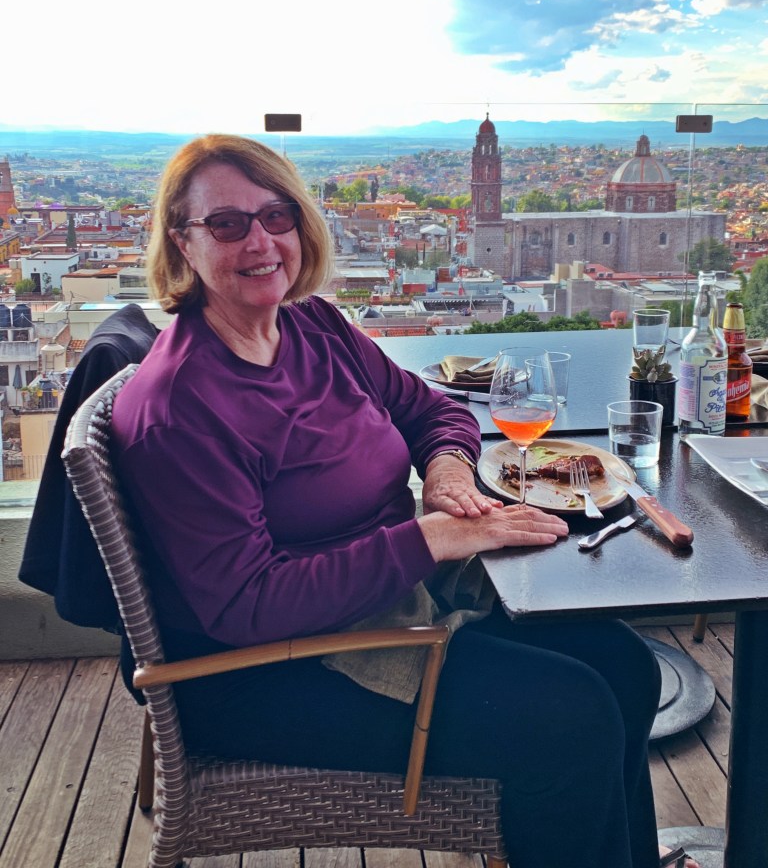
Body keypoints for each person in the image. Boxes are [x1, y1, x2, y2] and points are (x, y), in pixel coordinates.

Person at [110, 133, 675, 868]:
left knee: (627, 667)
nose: (260, 241)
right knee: (571, 716)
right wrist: (432, 538)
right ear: (182, 242)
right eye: (226, 224)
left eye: (277, 216)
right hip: (266, 671)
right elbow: (247, 605)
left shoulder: (312, 325)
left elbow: (430, 408)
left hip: (386, 607)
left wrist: (446, 470)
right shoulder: (181, 407)